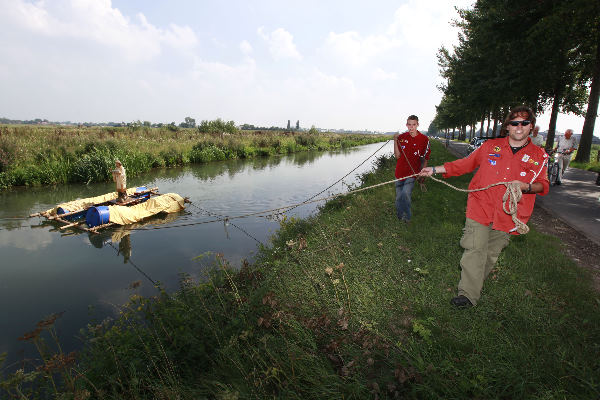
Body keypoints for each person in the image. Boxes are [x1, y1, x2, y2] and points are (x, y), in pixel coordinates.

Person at [419, 106, 549, 307]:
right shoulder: (490, 146)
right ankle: (467, 296)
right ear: (507, 126)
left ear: (531, 126)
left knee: (489, 255)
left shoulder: (539, 156)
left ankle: (474, 283)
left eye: (524, 123)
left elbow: (543, 185)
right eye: (514, 123)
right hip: (480, 207)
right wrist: (434, 169)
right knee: (474, 249)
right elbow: (465, 164)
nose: (519, 127)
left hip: (508, 214)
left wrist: (526, 187)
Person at [393, 115, 431, 223]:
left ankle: (407, 217)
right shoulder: (401, 137)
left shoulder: (424, 139)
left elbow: (425, 158)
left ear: (417, 125)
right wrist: (395, 141)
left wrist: (422, 173)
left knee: (406, 193)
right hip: (399, 172)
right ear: (406, 125)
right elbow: (397, 156)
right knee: (398, 197)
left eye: (414, 124)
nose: (411, 127)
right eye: (409, 124)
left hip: (412, 174)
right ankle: (399, 217)